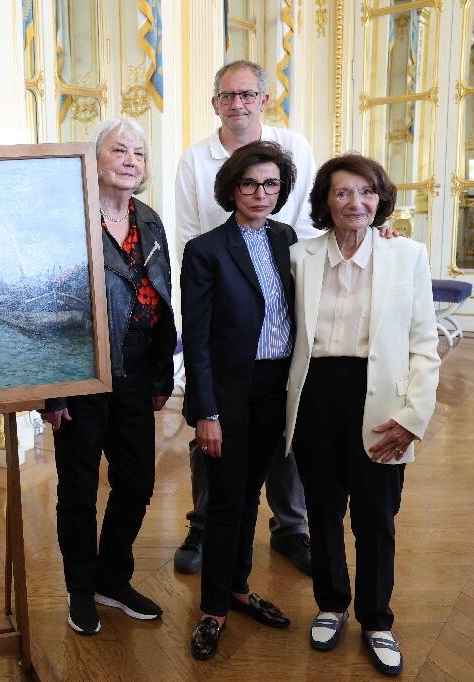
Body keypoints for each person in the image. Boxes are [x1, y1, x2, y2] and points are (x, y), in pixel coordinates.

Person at [285, 154, 439, 677]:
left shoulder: (407, 254)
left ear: (381, 198)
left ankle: (377, 619)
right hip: (316, 394)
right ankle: (332, 605)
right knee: (323, 512)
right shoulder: (300, 256)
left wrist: (414, 417)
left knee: (376, 517)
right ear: (326, 203)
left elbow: (424, 344)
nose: (357, 202)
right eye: (344, 193)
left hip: (381, 402)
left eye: (367, 192)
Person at [173, 59, 317, 576]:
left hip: (282, 284)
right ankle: (205, 523)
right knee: (210, 431)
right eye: (228, 96)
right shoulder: (195, 160)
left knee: (285, 428)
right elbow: (190, 233)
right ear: (216, 103)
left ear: (264, 99)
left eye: (248, 94)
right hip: (221, 292)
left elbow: (310, 223)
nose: (238, 104)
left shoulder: (295, 147)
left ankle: (291, 527)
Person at [39, 118, 176, 635]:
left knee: (137, 481)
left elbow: (160, 299)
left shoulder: (151, 220)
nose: (130, 161)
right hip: (83, 374)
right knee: (77, 489)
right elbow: (51, 306)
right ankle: (80, 589)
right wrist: (53, 392)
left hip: (139, 372)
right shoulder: (69, 220)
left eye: (138, 154)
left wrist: (162, 373)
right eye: (119, 150)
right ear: (94, 159)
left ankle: (111, 577)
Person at [182, 141, 298, 660]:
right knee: (227, 499)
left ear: (281, 191)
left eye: (270, 184)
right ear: (232, 188)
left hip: (278, 388)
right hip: (230, 394)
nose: (260, 193)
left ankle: (238, 587)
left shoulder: (287, 239)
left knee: (251, 493)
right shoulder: (206, 249)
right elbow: (199, 338)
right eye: (250, 183)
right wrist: (206, 411)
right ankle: (212, 609)